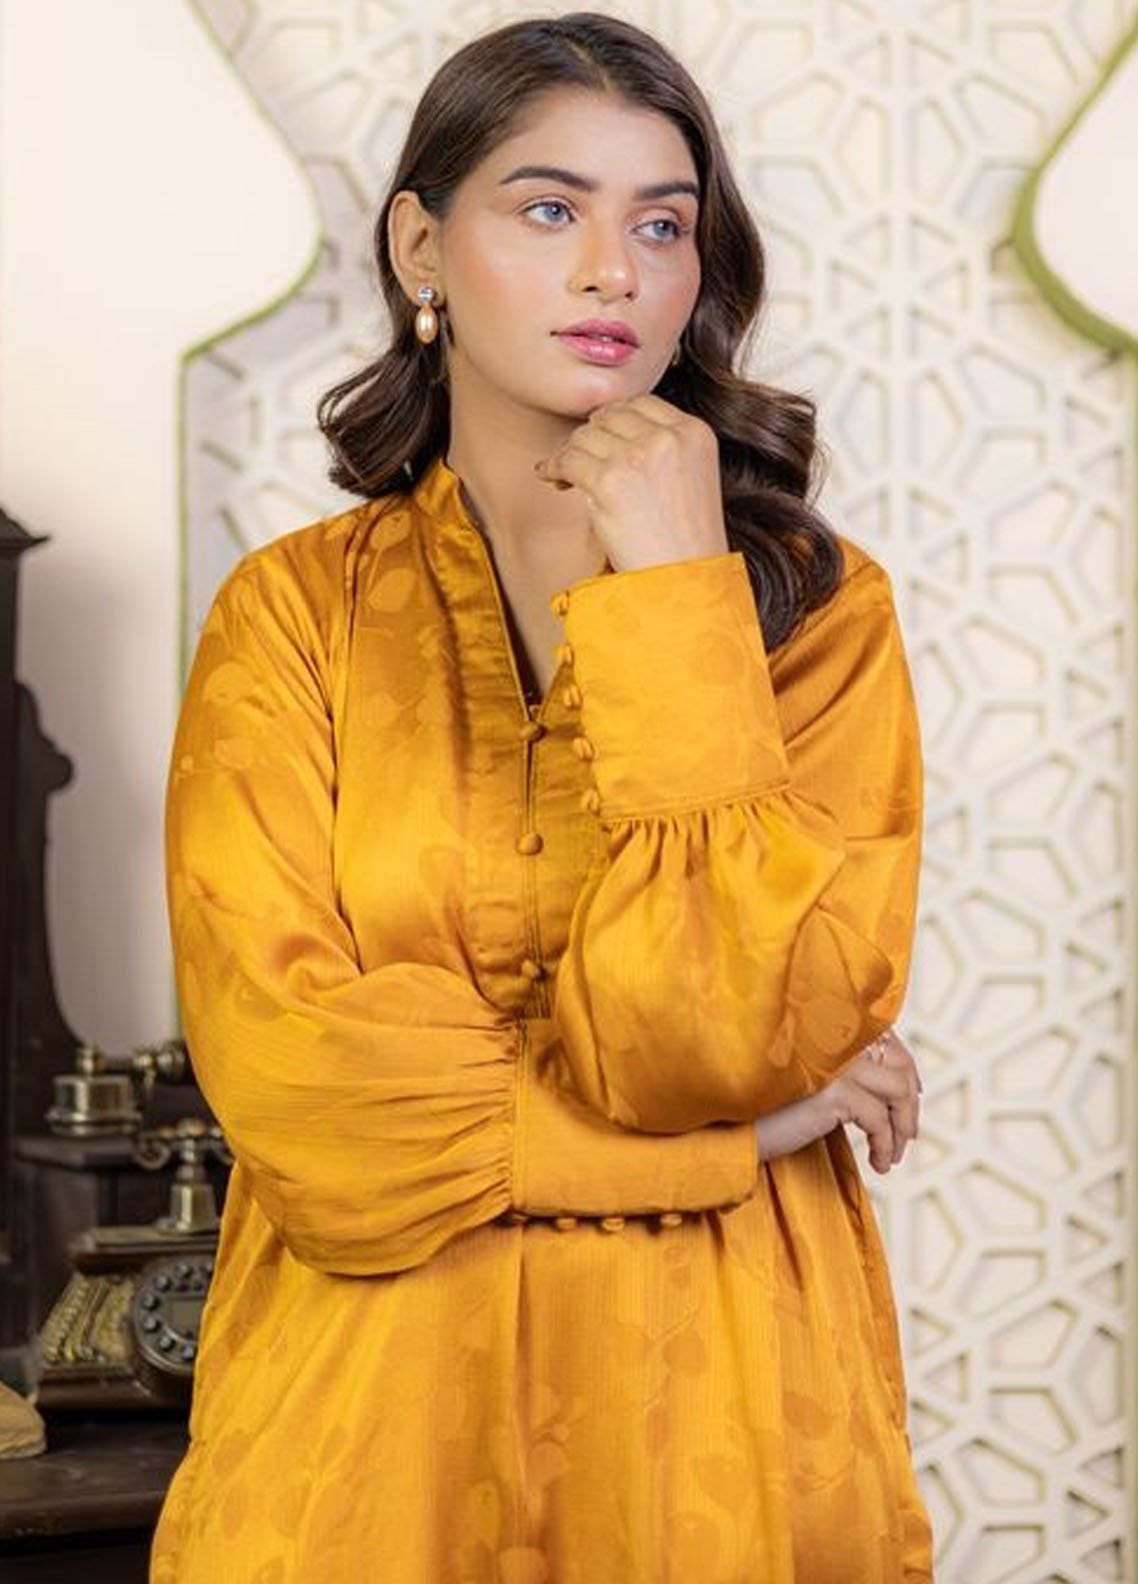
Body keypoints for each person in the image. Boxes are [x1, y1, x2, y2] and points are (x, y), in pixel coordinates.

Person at [152, 13, 931, 1582]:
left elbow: (715, 1035)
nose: (610, 273)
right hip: (361, 1446)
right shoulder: (290, 617)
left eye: (660, 225)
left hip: (714, 1425)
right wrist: (734, 1142)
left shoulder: (814, 617)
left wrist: (675, 600)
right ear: (420, 247)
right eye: (549, 208)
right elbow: (306, 1102)